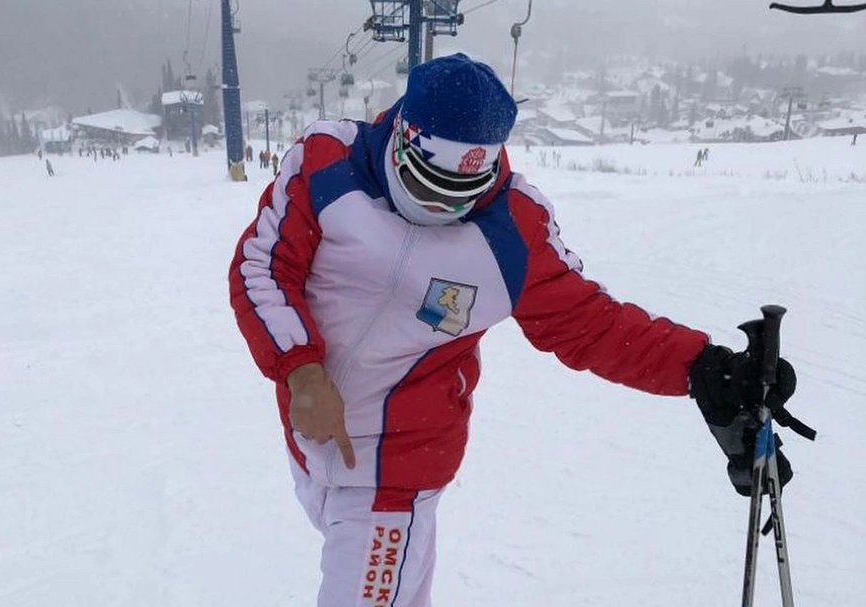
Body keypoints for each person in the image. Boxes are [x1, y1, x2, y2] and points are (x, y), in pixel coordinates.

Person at [228, 53, 797, 607]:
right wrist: (302, 373)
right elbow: (264, 267)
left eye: (459, 195)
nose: (439, 207)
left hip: (396, 466)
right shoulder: (327, 161)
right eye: (424, 185)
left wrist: (702, 367)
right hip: (311, 441)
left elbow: (592, 324)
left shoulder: (513, 231)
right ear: (402, 138)